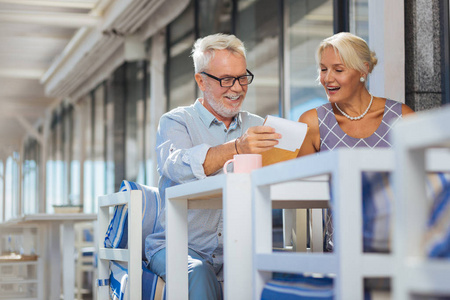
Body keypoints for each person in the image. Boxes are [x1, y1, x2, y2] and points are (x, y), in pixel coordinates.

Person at [145, 33, 281, 299]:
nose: (238, 88)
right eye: (226, 79)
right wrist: (237, 148)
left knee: (283, 269)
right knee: (197, 272)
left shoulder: (259, 125)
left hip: (239, 248)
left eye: (242, 78)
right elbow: (177, 166)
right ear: (201, 81)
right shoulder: (176, 122)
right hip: (180, 247)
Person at [297, 32, 414, 251]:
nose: (327, 78)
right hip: (341, 249)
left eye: (338, 70)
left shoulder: (401, 117)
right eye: (323, 69)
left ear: (364, 69)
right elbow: (304, 199)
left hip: (401, 246)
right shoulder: (312, 123)